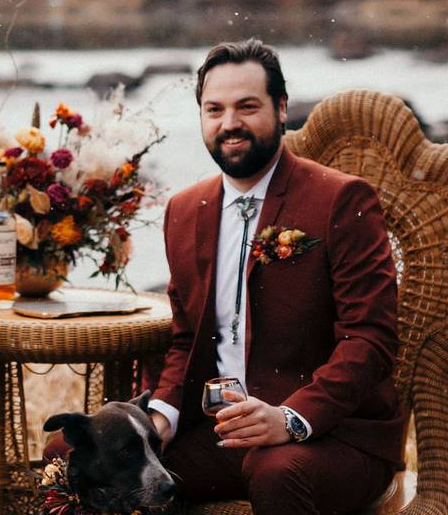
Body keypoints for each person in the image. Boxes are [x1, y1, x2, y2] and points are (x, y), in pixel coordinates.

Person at [147, 39, 405, 514]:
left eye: (247, 107)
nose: (230, 124)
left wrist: (291, 418)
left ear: (281, 108)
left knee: (277, 473)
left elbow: (370, 338)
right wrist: (160, 416)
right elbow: (187, 338)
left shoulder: (342, 200)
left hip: (333, 436)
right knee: (88, 458)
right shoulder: (183, 211)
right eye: (214, 109)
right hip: (222, 432)